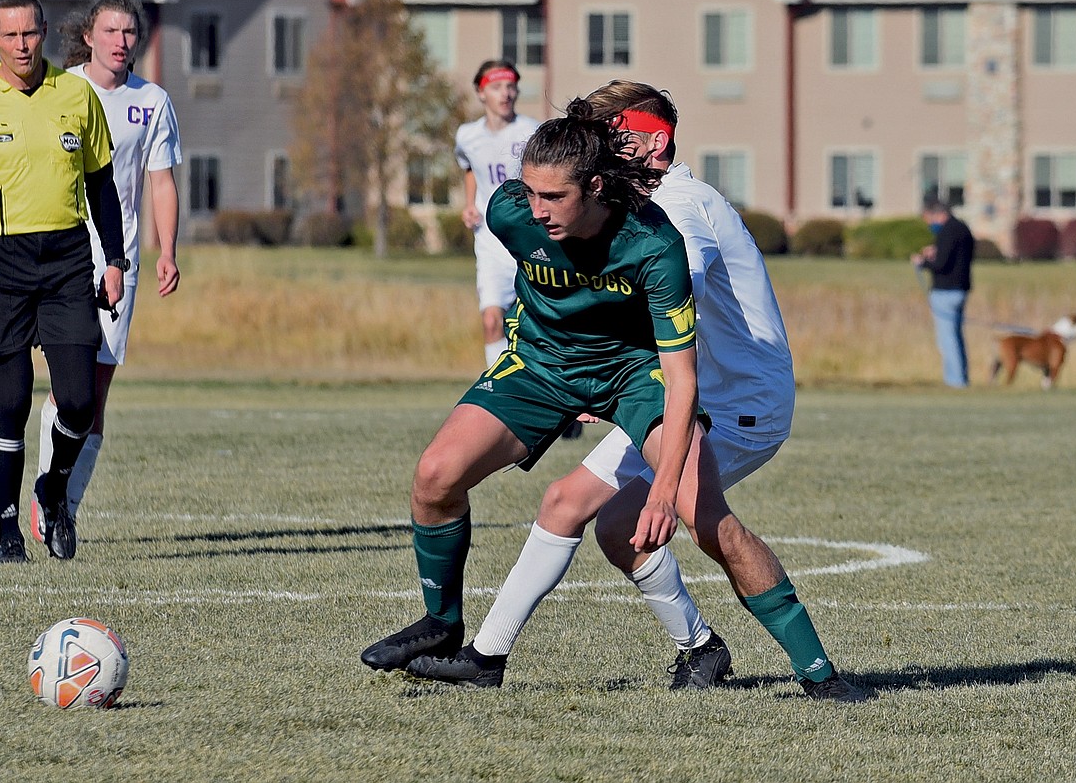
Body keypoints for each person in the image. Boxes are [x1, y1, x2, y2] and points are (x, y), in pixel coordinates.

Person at [406, 81, 867, 702]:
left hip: (737, 402)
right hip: (680, 387)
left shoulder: (673, 209)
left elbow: (675, 321)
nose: (597, 147)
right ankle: (685, 649)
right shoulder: (629, 204)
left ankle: (822, 676)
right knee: (585, 512)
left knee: (705, 523)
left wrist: (615, 374)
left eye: (609, 134)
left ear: (652, 141)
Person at [361, 98, 700, 674]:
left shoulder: (654, 240)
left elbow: (682, 372)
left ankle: (769, 658)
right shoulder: (509, 213)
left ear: (594, 187)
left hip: (629, 372)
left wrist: (664, 490)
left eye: (553, 197)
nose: (536, 211)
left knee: (700, 505)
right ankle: (443, 625)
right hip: (542, 367)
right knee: (434, 476)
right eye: (529, 192)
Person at [0, 0, 126, 563]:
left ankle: (55, 491)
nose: (22, 45)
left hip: (66, 260)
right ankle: (8, 529)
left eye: (31, 34)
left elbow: (101, 187)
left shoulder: (77, 94)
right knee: (10, 401)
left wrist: (113, 259)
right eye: (10, 35)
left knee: (79, 401)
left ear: (44, 32)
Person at [30, 0, 182, 541]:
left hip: (123, 262)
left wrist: (167, 249)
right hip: (63, 255)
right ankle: (47, 492)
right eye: (110, 31)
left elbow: (160, 180)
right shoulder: (60, 90)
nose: (121, 41)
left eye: (130, 33)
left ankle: (63, 505)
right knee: (66, 382)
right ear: (88, 36)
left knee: (96, 389)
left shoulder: (153, 102)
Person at [454, 60, 540, 367]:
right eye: (496, 87)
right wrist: (469, 204)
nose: (505, 93)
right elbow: (469, 168)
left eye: (510, 86)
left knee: (538, 325)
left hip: (531, 241)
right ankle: (497, 389)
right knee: (492, 322)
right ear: (480, 93)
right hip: (490, 241)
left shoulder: (532, 132)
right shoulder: (467, 136)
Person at [913, 195, 974, 388]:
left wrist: (923, 262)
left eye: (929, 219)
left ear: (937, 214)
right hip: (961, 290)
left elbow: (941, 264)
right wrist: (936, 252)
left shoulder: (947, 231)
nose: (930, 224)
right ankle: (960, 377)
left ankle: (955, 381)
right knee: (956, 337)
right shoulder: (962, 228)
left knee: (947, 339)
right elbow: (956, 257)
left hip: (945, 291)